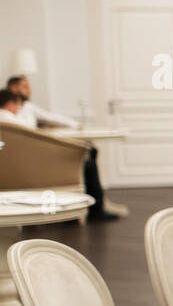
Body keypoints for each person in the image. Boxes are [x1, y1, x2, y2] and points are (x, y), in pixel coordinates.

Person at [4, 74, 122, 220]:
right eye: (25, 87)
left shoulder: (25, 110)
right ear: (12, 90)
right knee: (86, 159)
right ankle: (94, 210)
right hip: (33, 164)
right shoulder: (11, 119)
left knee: (89, 151)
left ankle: (92, 207)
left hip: (23, 162)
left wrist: (73, 125)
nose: (29, 90)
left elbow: (51, 118)